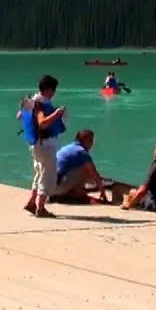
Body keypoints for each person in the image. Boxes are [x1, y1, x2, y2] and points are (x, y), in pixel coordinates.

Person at [19, 74, 67, 218]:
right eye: (53, 90)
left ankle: (32, 202)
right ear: (47, 89)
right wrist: (57, 113)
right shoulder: (40, 104)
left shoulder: (31, 101)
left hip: (35, 144)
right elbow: (43, 123)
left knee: (40, 173)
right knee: (48, 176)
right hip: (45, 145)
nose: (54, 93)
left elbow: (19, 116)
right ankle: (41, 207)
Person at [53, 129, 102, 202]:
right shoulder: (81, 152)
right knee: (87, 169)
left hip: (50, 185)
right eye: (91, 141)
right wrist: (103, 192)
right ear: (86, 141)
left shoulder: (67, 147)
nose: (92, 144)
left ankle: (71, 191)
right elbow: (94, 173)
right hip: (58, 188)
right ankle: (75, 192)